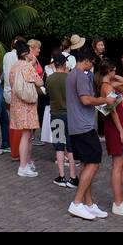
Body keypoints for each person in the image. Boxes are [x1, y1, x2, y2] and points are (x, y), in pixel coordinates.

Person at [66, 46, 107, 220]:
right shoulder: (80, 76)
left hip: (77, 126)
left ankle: (88, 203)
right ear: (87, 61)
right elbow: (86, 99)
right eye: (92, 63)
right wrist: (106, 100)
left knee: (86, 164)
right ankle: (76, 203)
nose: (93, 67)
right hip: (84, 127)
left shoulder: (72, 75)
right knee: (94, 163)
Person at [98, 58, 123, 218]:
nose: (116, 73)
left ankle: (120, 198)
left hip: (119, 124)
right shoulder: (106, 87)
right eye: (114, 70)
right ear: (109, 71)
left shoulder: (108, 84)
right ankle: (118, 202)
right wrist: (121, 131)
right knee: (118, 163)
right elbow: (112, 111)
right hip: (115, 127)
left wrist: (115, 77)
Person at [8, 40, 42, 177]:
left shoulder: (14, 66)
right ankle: (23, 166)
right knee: (26, 135)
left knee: (24, 134)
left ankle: (26, 163)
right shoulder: (27, 67)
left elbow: (11, 84)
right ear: (25, 53)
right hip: (27, 105)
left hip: (16, 103)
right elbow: (39, 81)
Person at [45, 53, 77, 187]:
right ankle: (73, 177)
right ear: (64, 64)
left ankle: (61, 176)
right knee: (70, 147)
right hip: (69, 115)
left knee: (59, 146)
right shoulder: (70, 78)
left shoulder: (50, 79)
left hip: (56, 114)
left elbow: (47, 93)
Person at [3, 36, 24, 160]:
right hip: (17, 93)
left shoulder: (6, 55)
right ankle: (16, 152)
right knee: (19, 125)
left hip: (8, 91)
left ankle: (13, 149)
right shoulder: (19, 57)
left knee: (12, 122)